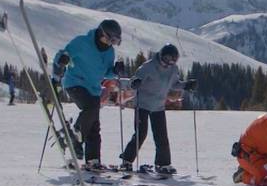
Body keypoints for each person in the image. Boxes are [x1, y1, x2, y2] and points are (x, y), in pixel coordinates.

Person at [52, 19, 123, 171]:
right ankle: (75, 133)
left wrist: (115, 70)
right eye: (111, 39)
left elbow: (107, 73)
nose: (112, 43)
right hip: (75, 83)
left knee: (94, 125)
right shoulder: (82, 43)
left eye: (115, 41)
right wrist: (62, 61)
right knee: (91, 108)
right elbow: (62, 54)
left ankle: (93, 160)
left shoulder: (109, 51)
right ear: (102, 33)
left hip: (94, 89)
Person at [119, 44, 196, 174]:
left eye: (173, 60)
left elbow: (174, 84)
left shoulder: (173, 69)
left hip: (158, 105)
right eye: (167, 59)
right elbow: (134, 79)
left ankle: (163, 164)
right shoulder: (149, 66)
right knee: (140, 134)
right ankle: (126, 161)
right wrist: (135, 83)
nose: (169, 63)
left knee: (161, 136)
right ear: (161, 55)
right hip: (142, 104)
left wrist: (186, 85)